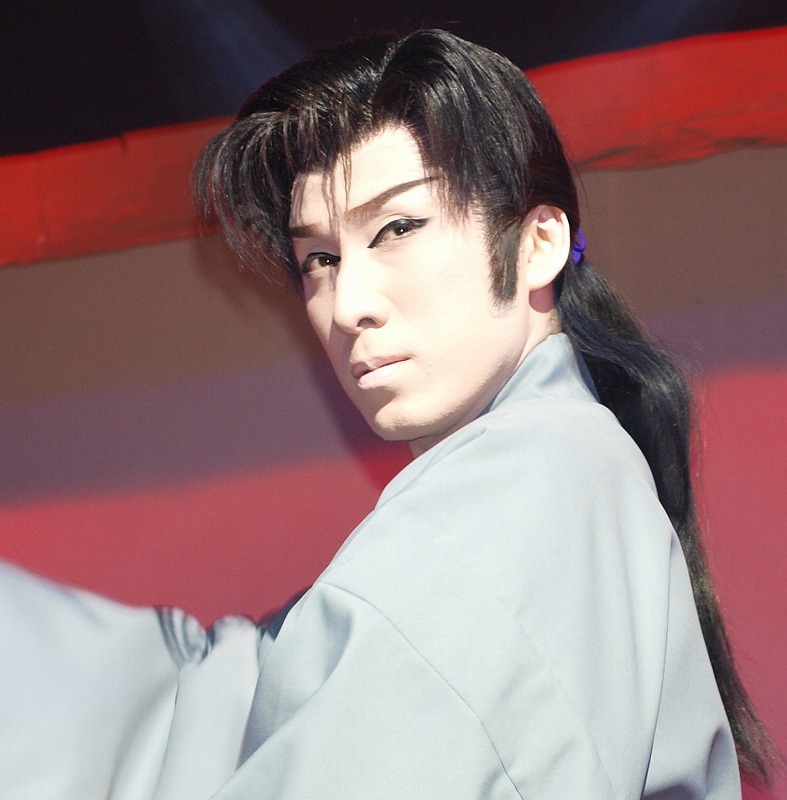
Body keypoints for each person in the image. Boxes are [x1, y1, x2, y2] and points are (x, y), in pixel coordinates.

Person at [1, 28, 775, 800]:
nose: (347, 305)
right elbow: (239, 695)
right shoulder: (563, 473)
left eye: (397, 228)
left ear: (538, 244)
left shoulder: (527, 484)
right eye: (320, 259)